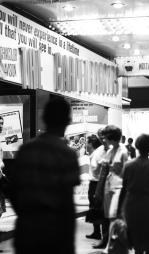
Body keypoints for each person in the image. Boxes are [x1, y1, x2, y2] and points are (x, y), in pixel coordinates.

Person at [9, 98, 80, 254]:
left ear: (44, 119)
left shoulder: (25, 150)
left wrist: (26, 215)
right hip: (54, 234)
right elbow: (67, 203)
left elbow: (12, 190)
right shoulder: (67, 155)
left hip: (26, 231)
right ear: (68, 121)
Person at [96, 125, 128, 252]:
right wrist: (99, 189)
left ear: (112, 137)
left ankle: (112, 244)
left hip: (119, 187)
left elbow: (127, 173)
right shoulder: (109, 151)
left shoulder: (123, 151)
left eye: (105, 137)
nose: (103, 139)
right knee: (111, 217)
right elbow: (103, 172)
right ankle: (114, 244)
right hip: (108, 186)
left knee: (115, 216)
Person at [85, 134, 102, 240]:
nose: (85, 145)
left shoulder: (95, 155)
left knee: (95, 207)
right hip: (96, 183)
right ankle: (96, 231)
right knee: (95, 208)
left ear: (91, 144)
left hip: (96, 184)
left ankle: (97, 232)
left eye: (87, 143)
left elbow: (96, 170)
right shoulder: (95, 154)